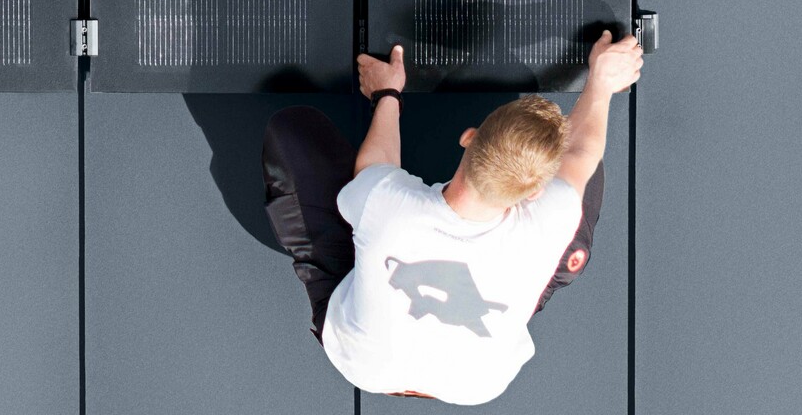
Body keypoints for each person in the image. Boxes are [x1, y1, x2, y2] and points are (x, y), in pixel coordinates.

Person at [261, 33, 647, 404]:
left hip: (362, 361)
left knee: (292, 131)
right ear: (535, 192)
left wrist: (387, 91)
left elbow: (378, 161)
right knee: (583, 179)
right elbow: (582, 150)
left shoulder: (387, 204)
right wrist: (601, 82)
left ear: (468, 137)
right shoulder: (550, 217)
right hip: (475, 386)